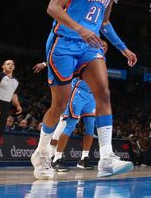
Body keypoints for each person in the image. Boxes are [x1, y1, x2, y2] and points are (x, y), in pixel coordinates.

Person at [31, 0, 137, 179]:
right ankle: (41, 153)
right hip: (64, 41)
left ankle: (107, 158)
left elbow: (105, 23)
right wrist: (80, 29)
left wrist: (123, 48)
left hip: (90, 46)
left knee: (104, 93)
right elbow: (53, 7)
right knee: (60, 105)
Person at [35, 41, 109, 171]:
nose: (103, 47)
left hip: (91, 96)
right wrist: (45, 64)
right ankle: (56, 158)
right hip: (78, 91)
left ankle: (84, 158)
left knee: (91, 127)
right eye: (101, 45)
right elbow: (66, 63)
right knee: (69, 123)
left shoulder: (102, 60)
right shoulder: (86, 54)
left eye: (106, 46)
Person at [0, 59, 23, 150]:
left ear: (14, 67)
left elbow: (13, 94)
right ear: (3, 66)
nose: (10, 65)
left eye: (12, 64)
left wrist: (17, 105)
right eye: (8, 64)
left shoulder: (15, 81)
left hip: (6, 107)